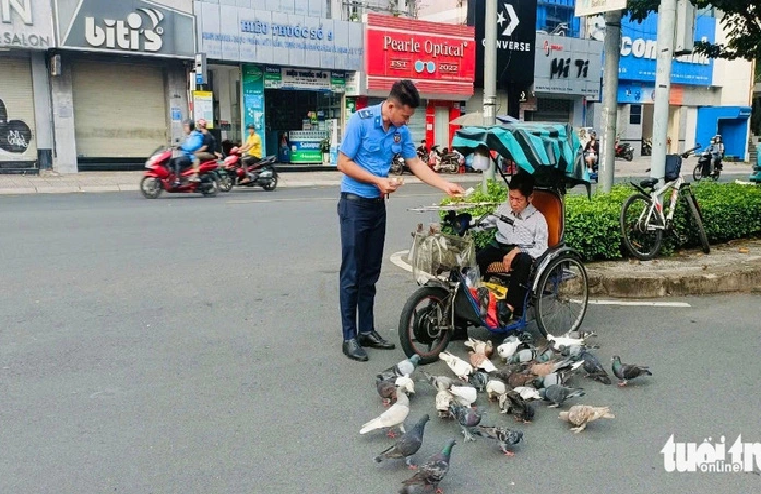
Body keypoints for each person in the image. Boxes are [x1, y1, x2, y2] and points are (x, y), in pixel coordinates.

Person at [337, 79, 464, 362]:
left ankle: (367, 330)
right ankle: (349, 336)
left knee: (370, 272)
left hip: (376, 206)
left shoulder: (399, 130)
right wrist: (377, 180)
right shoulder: (361, 121)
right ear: (391, 106)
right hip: (354, 205)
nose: (406, 122)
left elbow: (415, 164)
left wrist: (445, 185)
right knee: (352, 273)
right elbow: (343, 163)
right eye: (405, 115)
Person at [475, 171, 549, 321]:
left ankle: (510, 307)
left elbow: (541, 247)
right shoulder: (504, 208)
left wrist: (517, 250)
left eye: (518, 199)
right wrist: (466, 223)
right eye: (511, 198)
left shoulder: (538, 219)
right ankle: (471, 304)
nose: (513, 203)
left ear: (530, 198)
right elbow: (485, 223)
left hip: (523, 252)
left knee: (524, 262)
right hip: (500, 247)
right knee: (475, 261)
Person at [173, 120, 203, 187]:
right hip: (187, 155)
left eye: (186, 126)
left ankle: (177, 180)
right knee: (171, 160)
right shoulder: (190, 136)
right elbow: (186, 145)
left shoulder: (196, 136)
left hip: (191, 157)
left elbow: (193, 146)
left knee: (178, 161)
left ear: (190, 127)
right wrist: (177, 147)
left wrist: (182, 148)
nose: (184, 128)